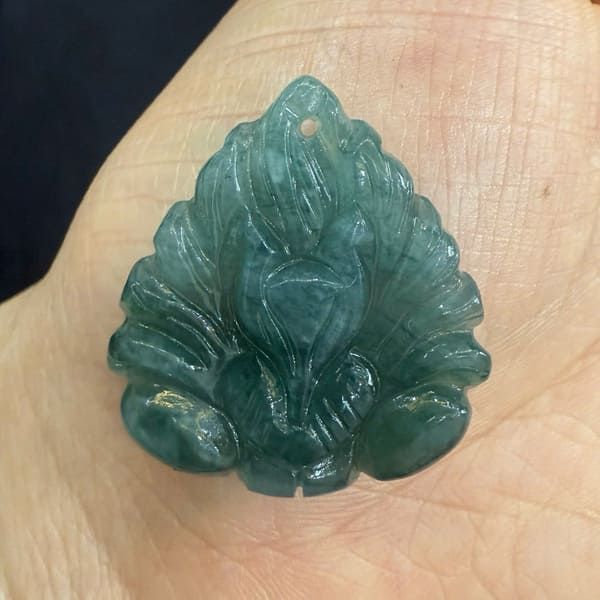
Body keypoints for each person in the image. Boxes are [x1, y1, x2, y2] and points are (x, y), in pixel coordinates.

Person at [1, 0, 599, 597]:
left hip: (355, 398)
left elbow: (435, 340)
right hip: (216, 409)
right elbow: (165, 333)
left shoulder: (385, 274)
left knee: (427, 409)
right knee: (173, 402)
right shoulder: (220, 257)